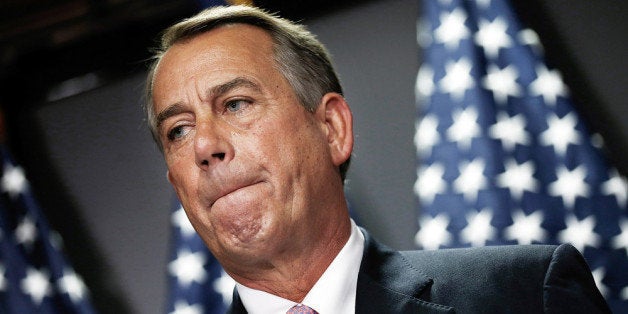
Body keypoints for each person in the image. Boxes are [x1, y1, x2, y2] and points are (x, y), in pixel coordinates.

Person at [145, 5, 610, 314]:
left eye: (236, 104)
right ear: (176, 182)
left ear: (332, 129)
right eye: (178, 131)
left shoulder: (525, 295)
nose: (205, 146)